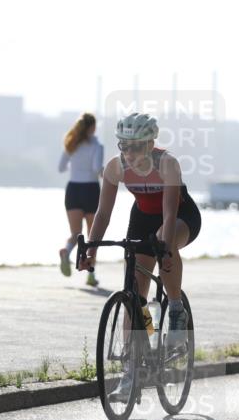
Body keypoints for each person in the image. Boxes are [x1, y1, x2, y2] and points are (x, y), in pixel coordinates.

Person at [78, 112, 202, 399]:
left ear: (150, 143)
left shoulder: (167, 164)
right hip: (143, 217)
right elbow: (103, 214)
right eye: (123, 145)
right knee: (133, 295)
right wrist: (91, 250)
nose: (129, 153)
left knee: (162, 240)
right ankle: (130, 376)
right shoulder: (114, 167)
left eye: (136, 146)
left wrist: (167, 252)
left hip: (181, 217)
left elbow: (170, 214)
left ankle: (175, 309)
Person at [58, 112, 104, 286]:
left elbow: (61, 168)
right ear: (92, 128)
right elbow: (96, 168)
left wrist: (76, 165)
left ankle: (67, 252)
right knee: (94, 237)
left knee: (75, 234)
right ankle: (91, 275)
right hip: (91, 190)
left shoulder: (71, 144)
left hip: (73, 190)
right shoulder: (97, 146)